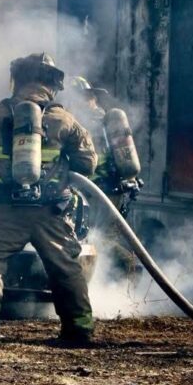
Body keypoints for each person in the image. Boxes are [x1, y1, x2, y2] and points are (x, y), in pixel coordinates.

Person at [0, 53, 98, 344]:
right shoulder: (63, 119)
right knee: (64, 265)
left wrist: (1, 165)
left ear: (17, 79)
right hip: (50, 211)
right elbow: (88, 163)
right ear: (52, 83)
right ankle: (79, 328)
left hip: (5, 208)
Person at [64, 76, 142, 283]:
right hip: (106, 189)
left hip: (101, 190)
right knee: (94, 238)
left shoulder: (89, 124)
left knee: (101, 240)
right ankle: (106, 284)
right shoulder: (101, 119)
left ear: (89, 98)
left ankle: (132, 272)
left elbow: (90, 160)